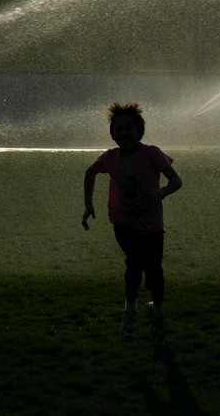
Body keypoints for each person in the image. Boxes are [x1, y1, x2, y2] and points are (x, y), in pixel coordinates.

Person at [82, 102, 182, 343]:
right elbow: (90, 172)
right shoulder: (110, 157)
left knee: (154, 271)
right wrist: (88, 205)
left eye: (129, 128)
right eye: (119, 129)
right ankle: (130, 312)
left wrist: (159, 194)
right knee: (135, 262)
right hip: (123, 222)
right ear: (112, 134)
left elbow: (176, 181)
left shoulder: (151, 153)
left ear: (139, 131)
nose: (124, 133)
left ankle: (156, 311)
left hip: (152, 224)